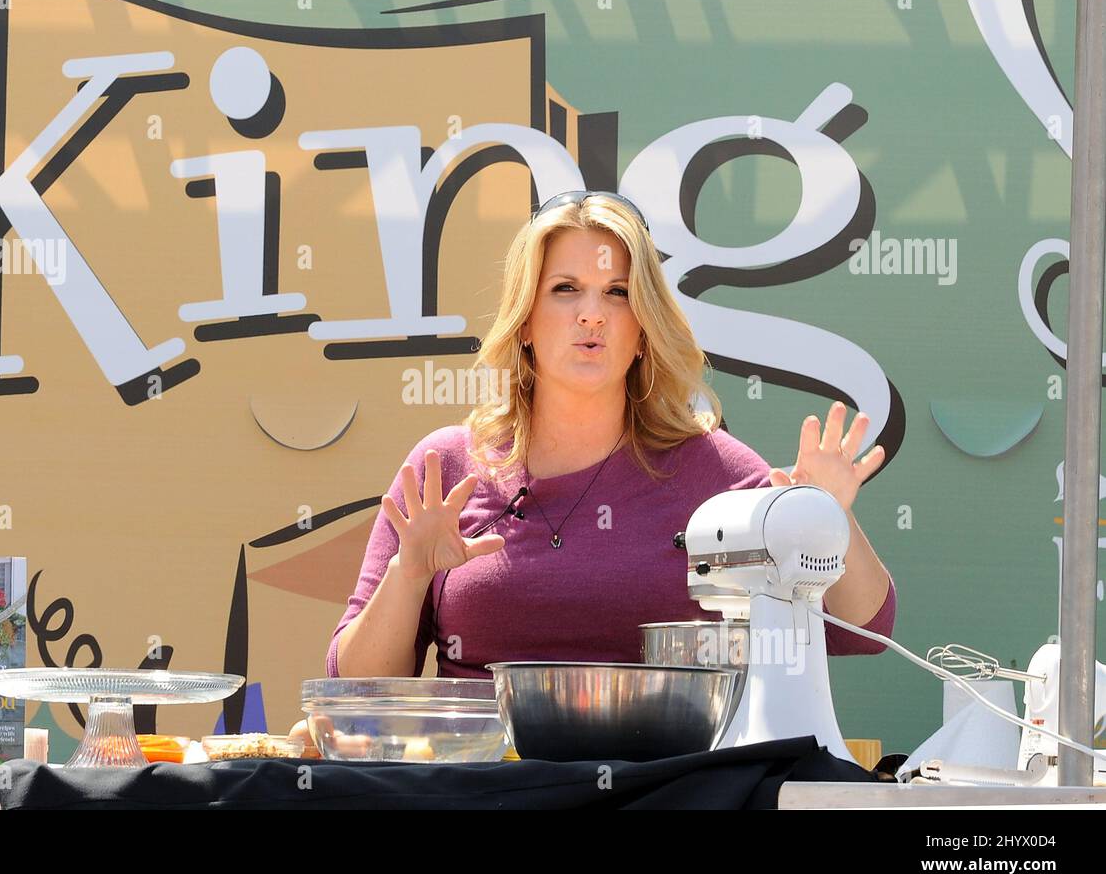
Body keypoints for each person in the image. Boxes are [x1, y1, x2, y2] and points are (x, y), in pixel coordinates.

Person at [324, 189, 896, 682]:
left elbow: (865, 631)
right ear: (524, 322)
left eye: (618, 293)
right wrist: (408, 574)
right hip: (481, 786)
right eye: (566, 289)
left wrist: (826, 520)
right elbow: (356, 683)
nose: (591, 315)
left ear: (644, 328)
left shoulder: (713, 471)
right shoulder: (445, 466)